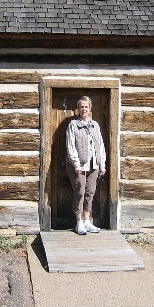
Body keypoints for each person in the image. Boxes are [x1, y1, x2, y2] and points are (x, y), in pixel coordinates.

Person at [66, 96, 107, 235]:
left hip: (93, 165)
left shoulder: (95, 125)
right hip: (78, 166)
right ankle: (79, 223)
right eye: (81, 107)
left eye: (86, 107)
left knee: (90, 192)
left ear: (90, 109)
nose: (84, 109)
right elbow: (70, 146)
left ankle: (87, 221)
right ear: (78, 109)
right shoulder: (73, 124)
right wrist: (76, 163)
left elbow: (100, 146)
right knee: (80, 192)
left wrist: (102, 164)